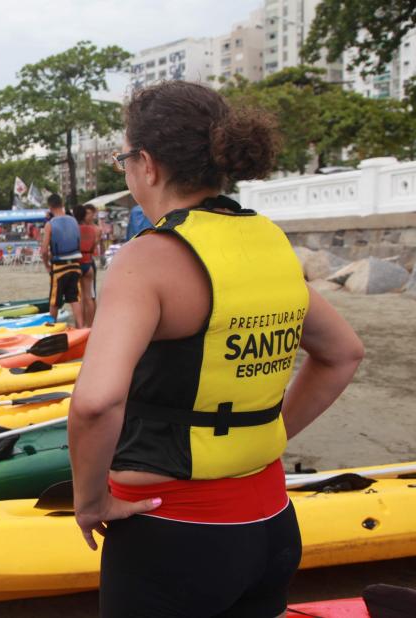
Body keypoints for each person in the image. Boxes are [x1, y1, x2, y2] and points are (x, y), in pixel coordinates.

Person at [68, 81, 365, 618]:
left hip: (173, 534)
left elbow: (96, 402)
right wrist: (265, 433)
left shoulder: (148, 258)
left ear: (149, 164)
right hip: (271, 526)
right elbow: (342, 353)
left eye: (124, 159)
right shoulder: (271, 241)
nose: (127, 171)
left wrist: (89, 502)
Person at [39, 193, 83, 325]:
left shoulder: (50, 224)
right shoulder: (73, 220)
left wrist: (46, 265)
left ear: (50, 207)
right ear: (62, 204)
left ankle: (52, 326)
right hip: (75, 264)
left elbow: (44, 250)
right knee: (75, 299)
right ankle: (81, 328)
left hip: (59, 267)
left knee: (54, 301)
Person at [73, 204, 99, 327]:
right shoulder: (92, 229)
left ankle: (80, 325)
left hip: (77, 263)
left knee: (77, 297)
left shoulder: (74, 228)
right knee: (88, 297)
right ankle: (90, 326)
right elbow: (94, 246)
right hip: (89, 263)